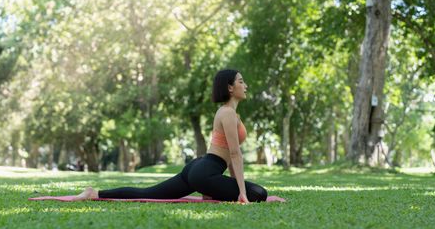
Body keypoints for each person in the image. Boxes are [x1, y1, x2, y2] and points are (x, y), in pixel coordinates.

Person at [75, 69, 284, 204]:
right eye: (241, 81)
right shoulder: (227, 113)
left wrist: (231, 189)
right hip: (205, 172)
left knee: (149, 194)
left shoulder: (230, 113)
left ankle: (95, 193)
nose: (245, 85)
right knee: (260, 194)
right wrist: (244, 194)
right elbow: (235, 154)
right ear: (230, 87)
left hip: (201, 168)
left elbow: (232, 157)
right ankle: (95, 194)